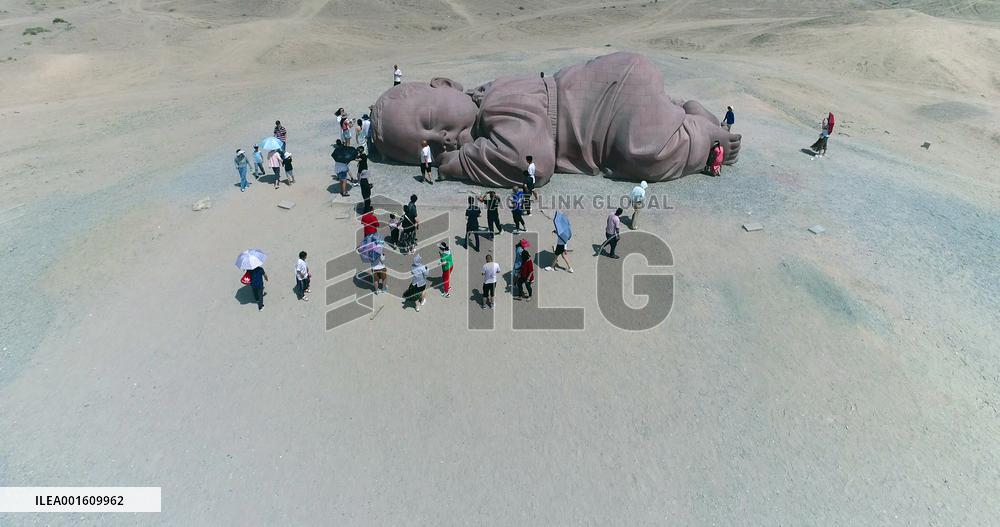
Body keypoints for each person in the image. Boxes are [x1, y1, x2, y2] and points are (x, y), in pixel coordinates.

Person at [370, 52, 742, 187]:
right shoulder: (488, 98)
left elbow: (532, 160)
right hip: (609, 82)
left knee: (648, 153)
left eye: (431, 120)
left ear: (447, 83)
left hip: (607, 109)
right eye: (433, 147)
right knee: (650, 126)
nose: (444, 138)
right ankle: (680, 110)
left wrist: (458, 163)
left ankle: (705, 134)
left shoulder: (495, 105)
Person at [357, 146, 372, 211]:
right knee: (365, 180)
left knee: (364, 179)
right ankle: (367, 208)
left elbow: (359, 159)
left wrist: (353, 158)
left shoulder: (364, 156)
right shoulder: (362, 155)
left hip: (364, 170)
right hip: (363, 170)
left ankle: (367, 209)